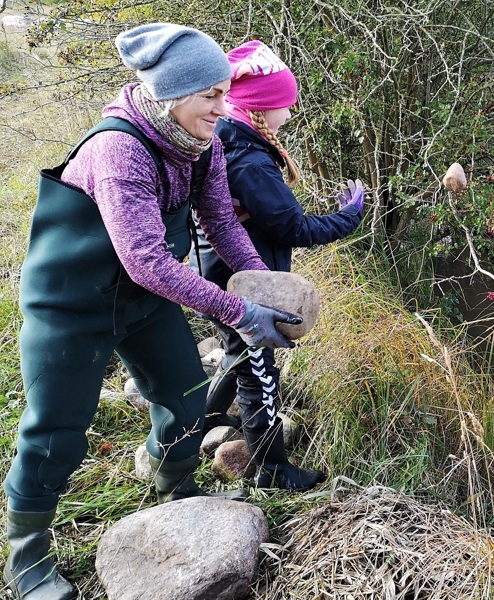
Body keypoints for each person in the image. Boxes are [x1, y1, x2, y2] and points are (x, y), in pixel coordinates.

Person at [2, 24, 302, 600]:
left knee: (186, 394)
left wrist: (265, 288)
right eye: (210, 96)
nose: (224, 106)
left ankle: (178, 489)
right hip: (70, 305)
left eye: (225, 92)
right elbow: (145, 260)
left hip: (143, 302)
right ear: (170, 94)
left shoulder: (202, 143)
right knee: (54, 433)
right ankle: (27, 558)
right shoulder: (120, 149)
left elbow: (221, 223)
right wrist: (240, 312)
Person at [192, 40, 363, 494]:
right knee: (259, 368)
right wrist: (349, 216)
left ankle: (206, 417)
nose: (291, 110)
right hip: (239, 279)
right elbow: (294, 228)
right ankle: (272, 468)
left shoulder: (229, 137)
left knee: (238, 350)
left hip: (215, 267)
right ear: (260, 110)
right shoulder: (249, 161)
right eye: (285, 102)